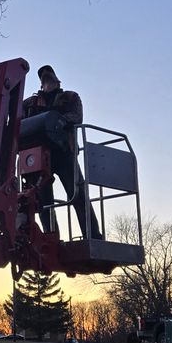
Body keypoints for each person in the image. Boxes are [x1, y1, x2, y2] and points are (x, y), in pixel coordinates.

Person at [21, 65, 102, 240]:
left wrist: (59, 120)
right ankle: (51, 239)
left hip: (64, 152)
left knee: (77, 195)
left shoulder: (70, 97)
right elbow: (16, 118)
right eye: (43, 78)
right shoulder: (30, 103)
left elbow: (76, 116)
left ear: (57, 80)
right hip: (39, 157)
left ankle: (93, 235)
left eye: (49, 76)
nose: (46, 79)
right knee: (43, 201)